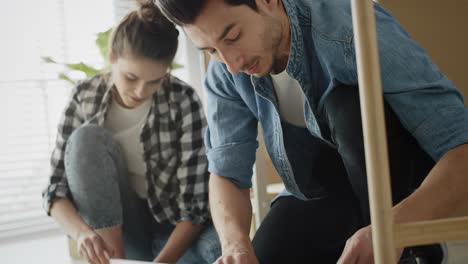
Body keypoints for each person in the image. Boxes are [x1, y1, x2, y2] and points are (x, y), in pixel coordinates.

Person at [155, 0, 468, 263]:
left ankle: (416, 250)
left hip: (398, 188)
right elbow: (226, 174)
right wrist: (235, 245)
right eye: (210, 50)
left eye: (233, 36)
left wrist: (393, 229)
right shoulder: (226, 71)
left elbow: (462, 148)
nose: (231, 64)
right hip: (319, 189)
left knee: (346, 107)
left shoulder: (351, 28)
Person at [41, 3, 221, 264]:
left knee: (216, 251)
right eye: (130, 77)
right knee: (86, 138)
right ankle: (117, 260)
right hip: (120, 233)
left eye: (154, 81)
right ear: (112, 56)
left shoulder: (183, 100)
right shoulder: (84, 96)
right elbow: (54, 191)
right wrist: (82, 235)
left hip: (175, 232)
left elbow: (194, 209)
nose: (140, 91)